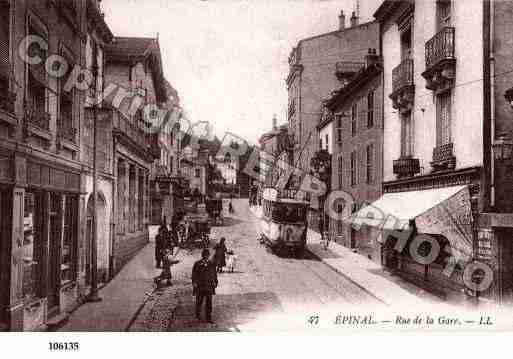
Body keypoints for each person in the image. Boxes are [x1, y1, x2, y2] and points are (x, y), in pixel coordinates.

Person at [192, 248, 218, 323]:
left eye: (207, 255)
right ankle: (197, 316)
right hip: (200, 286)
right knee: (199, 301)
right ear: (202, 255)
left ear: (208, 255)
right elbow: (194, 274)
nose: (206, 256)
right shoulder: (197, 264)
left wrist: (215, 282)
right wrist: (194, 283)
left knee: (209, 303)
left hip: (209, 286)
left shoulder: (211, 263)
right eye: (204, 255)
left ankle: (208, 318)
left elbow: (214, 273)